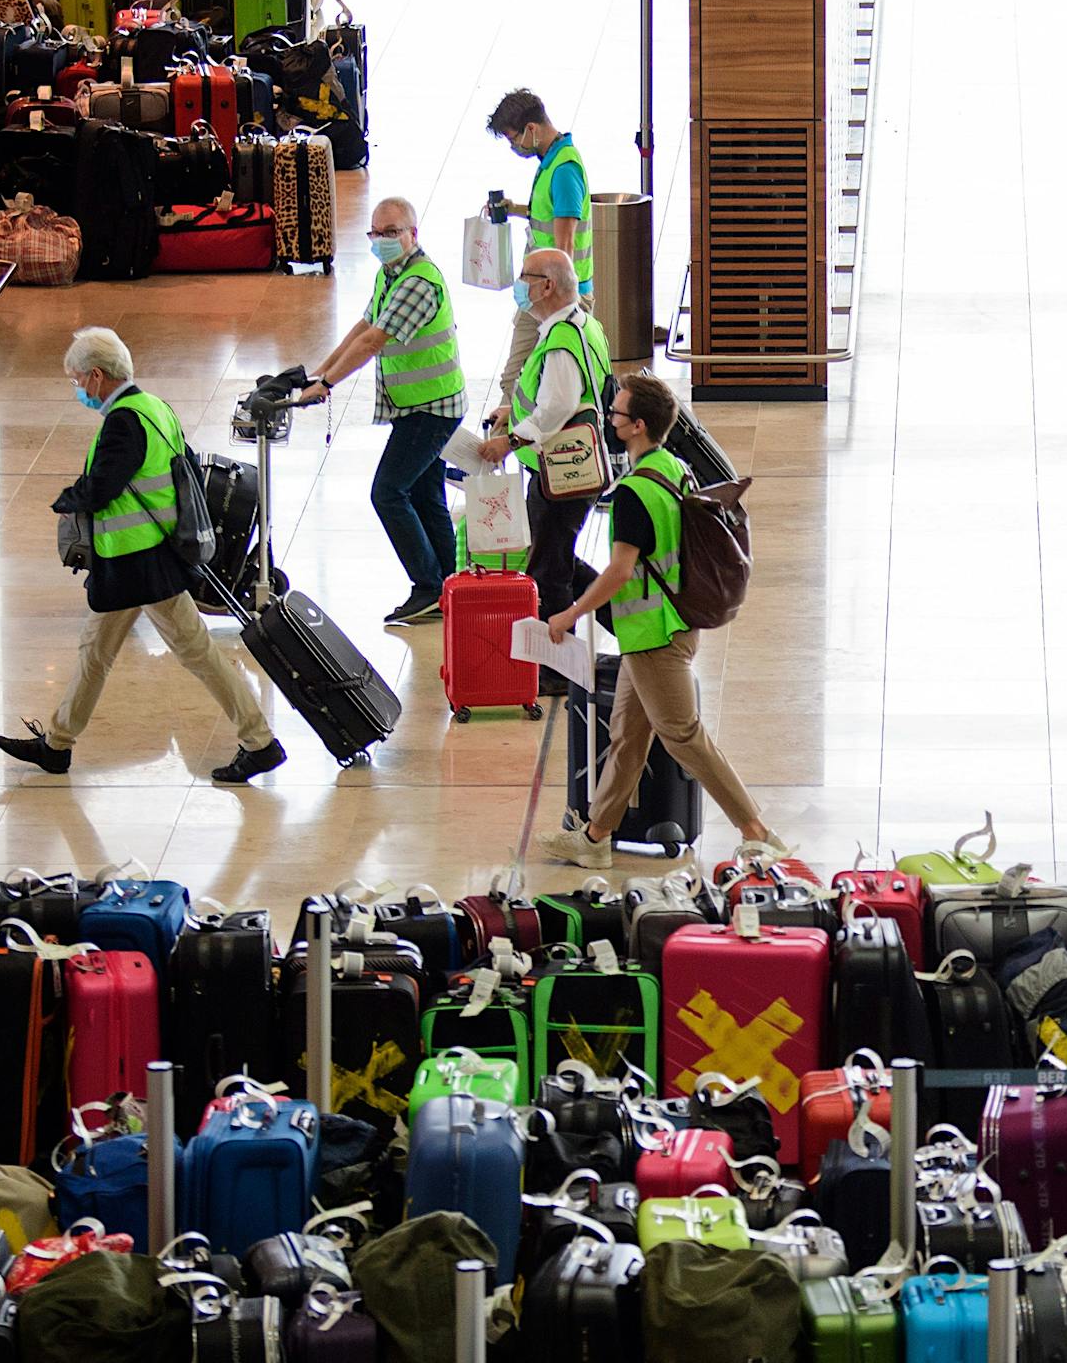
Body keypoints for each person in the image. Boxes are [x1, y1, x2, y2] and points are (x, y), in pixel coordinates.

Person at [0, 327, 286, 783]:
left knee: (199, 655)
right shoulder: (156, 408)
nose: (78, 390)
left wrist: (67, 499)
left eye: (76, 381)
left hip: (139, 566)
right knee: (97, 653)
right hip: (147, 561)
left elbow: (104, 487)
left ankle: (260, 741)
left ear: (96, 376)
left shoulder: (122, 422)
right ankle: (56, 744)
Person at [536, 373, 782, 869]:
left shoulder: (631, 493)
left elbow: (621, 570)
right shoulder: (674, 468)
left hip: (655, 636)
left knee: (683, 736)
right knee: (628, 735)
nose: (610, 418)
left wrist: (570, 611)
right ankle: (596, 835)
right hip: (669, 624)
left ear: (637, 427)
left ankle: (755, 830)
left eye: (618, 414)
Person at [302, 198, 466, 626]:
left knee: (388, 492)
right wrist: (319, 372)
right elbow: (363, 327)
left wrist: (328, 384)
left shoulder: (418, 282)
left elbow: (375, 341)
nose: (383, 241)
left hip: (433, 410)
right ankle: (451, 584)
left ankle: (428, 585)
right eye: (376, 233)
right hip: (419, 406)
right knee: (426, 495)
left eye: (392, 232)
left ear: (414, 233)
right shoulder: (390, 275)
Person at [476, 249, 611, 687]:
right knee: (558, 557)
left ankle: (556, 668)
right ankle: (628, 614)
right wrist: (509, 413)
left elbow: (557, 405)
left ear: (547, 285)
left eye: (525, 278)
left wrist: (510, 441)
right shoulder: (581, 325)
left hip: (561, 474)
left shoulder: (560, 340)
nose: (519, 286)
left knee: (549, 570)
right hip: (576, 465)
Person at [485, 88, 593, 402]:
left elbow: (565, 246)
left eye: (513, 138)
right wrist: (514, 208)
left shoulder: (563, 170)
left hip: (555, 298)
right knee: (523, 382)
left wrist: (557, 308)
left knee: (519, 381)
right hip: (541, 294)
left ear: (532, 129)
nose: (514, 146)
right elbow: (547, 214)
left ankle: (512, 439)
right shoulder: (551, 160)